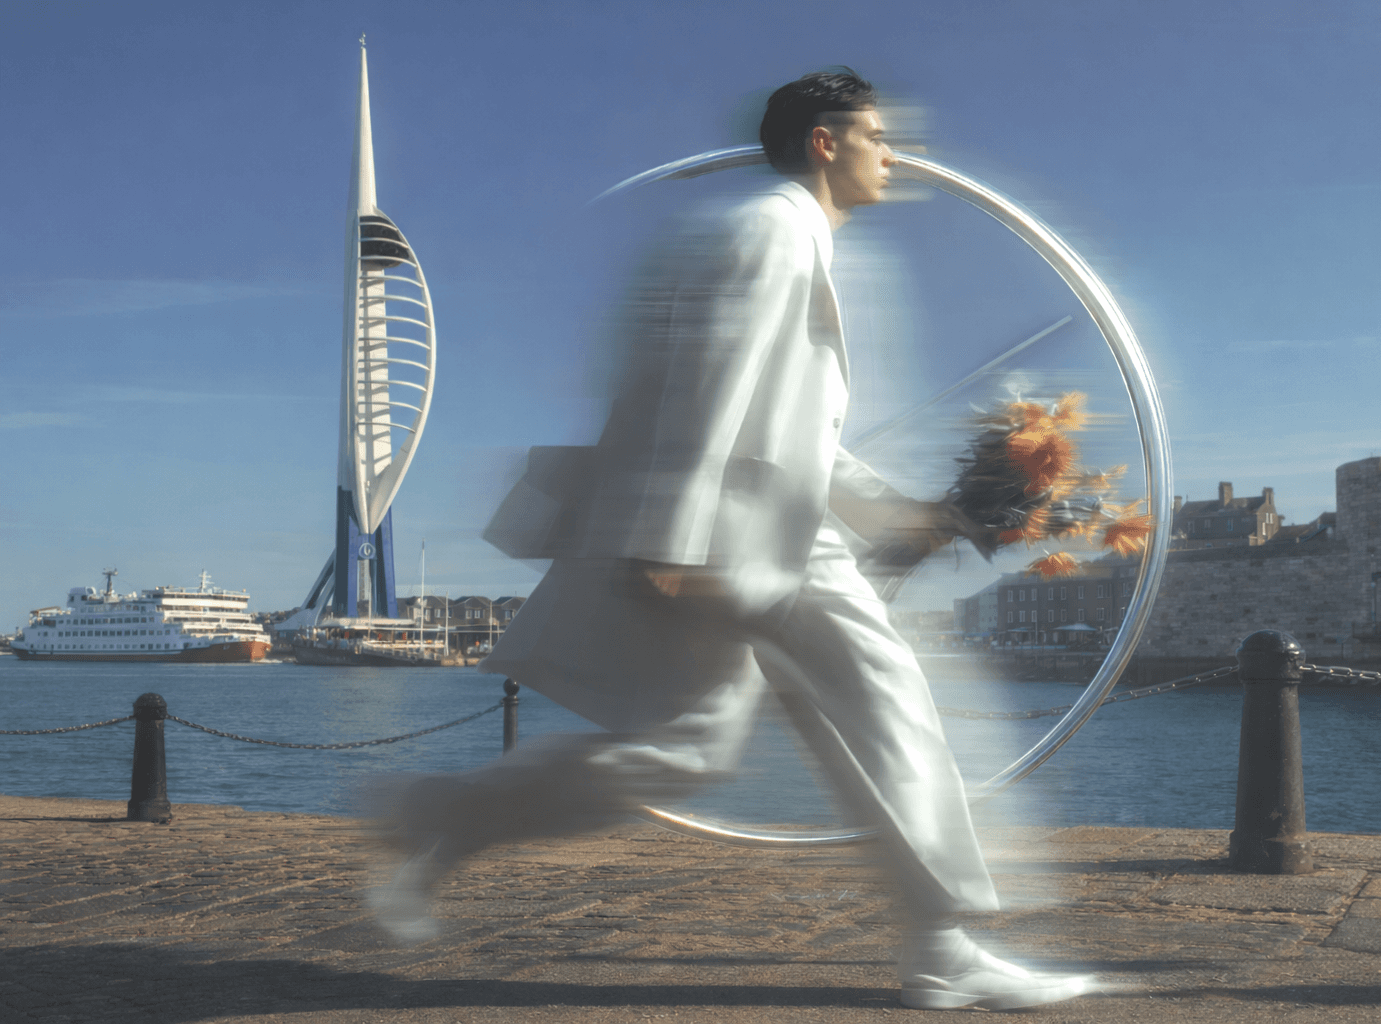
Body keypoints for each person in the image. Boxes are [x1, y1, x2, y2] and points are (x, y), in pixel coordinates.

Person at [368, 70, 1091, 1012]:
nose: (893, 152)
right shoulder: (770, 230)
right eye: (875, 134)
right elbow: (696, 391)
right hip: (739, 538)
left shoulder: (793, 239)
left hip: (770, 533)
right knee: (887, 706)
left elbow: (795, 431)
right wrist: (669, 539)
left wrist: (908, 512)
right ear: (824, 141)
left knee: (690, 751)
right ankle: (943, 950)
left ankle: (436, 816)